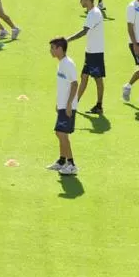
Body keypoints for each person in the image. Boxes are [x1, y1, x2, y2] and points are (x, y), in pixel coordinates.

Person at [67, 0, 105, 115]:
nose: (80, 2)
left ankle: (99, 106)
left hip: (95, 52)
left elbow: (84, 32)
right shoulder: (93, 13)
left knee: (98, 79)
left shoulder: (93, 14)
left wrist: (68, 39)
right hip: (91, 51)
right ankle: (75, 103)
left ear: (88, 0)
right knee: (84, 76)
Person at [46, 37, 79, 176]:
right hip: (62, 105)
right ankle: (61, 161)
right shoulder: (61, 63)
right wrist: (59, 104)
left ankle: (71, 164)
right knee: (60, 133)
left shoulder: (68, 64)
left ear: (60, 48)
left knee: (61, 133)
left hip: (67, 106)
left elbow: (74, 84)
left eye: (53, 48)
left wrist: (69, 105)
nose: (51, 51)